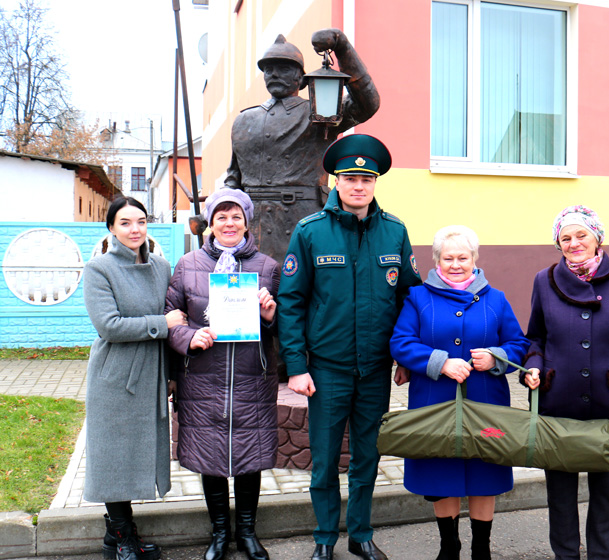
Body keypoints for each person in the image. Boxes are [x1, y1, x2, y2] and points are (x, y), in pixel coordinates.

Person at [276, 134, 421, 560]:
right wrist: (296, 366)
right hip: (326, 370)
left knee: (366, 459)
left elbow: (409, 299)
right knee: (323, 462)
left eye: (366, 179)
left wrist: (405, 356)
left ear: (375, 183)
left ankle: (360, 534)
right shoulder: (310, 232)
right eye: (350, 178)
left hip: (375, 369)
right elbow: (291, 301)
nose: (358, 186)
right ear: (335, 181)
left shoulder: (394, 232)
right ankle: (324, 538)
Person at [522, 205, 609, 560]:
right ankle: (566, 555)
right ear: (558, 243)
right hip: (559, 402)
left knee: (606, 494)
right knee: (560, 495)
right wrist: (534, 365)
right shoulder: (545, 279)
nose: (574, 243)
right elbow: (535, 337)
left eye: (581, 235)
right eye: (565, 238)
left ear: (597, 237)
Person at [390, 225, 529, 560]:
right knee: (443, 473)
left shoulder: (496, 298)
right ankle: (448, 547)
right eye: (447, 258)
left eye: (462, 257)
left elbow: (518, 344)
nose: (455, 264)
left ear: (474, 259)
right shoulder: (418, 297)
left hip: (486, 401)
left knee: (485, 473)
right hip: (433, 401)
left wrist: (496, 357)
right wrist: (441, 362)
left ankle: (482, 548)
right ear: (436, 261)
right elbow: (401, 342)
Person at [165, 188, 281, 560]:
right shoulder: (188, 264)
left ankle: (247, 532)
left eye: (236, 217)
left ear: (247, 222)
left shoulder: (267, 267)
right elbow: (171, 316)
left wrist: (269, 316)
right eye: (221, 217)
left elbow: (286, 325)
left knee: (250, 455)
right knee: (209, 456)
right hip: (202, 375)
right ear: (210, 223)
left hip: (252, 375)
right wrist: (188, 337)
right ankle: (219, 533)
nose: (229, 224)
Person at [83, 197, 187, 560]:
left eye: (141, 221)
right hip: (114, 376)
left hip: (153, 372)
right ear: (111, 227)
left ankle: (118, 534)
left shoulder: (161, 266)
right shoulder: (99, 269)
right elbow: (109, 326)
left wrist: (173, 374)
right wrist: (162, 325)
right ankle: (123, 536)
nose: (135, 230)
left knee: (136, 454)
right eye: (125, 223)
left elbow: (176, 322)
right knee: (115, 457)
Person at [225, 29, 380, 260]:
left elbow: (368, 103)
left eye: (284, 68)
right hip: (252, 233)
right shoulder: (243, 120)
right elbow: (233, 179)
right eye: (269, 69)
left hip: (305, 225)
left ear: (301, 77)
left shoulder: (320, 113)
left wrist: (342, 47)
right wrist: (216, 211)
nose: (275, 74)